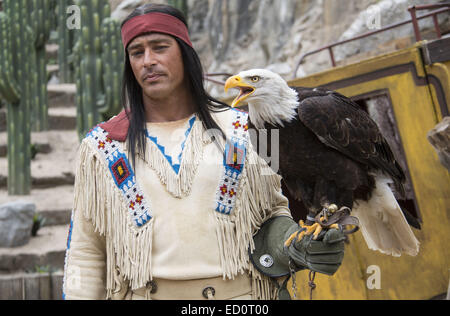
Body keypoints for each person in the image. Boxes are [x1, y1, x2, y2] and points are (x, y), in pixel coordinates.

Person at [62, 3, 346, 300]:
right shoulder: (103, 147)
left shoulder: (247, 130)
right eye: (137, 52)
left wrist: (293, 244)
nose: (148, 61)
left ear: (185, 53)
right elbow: (86, 251)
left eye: (159, 47)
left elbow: (272, 213)